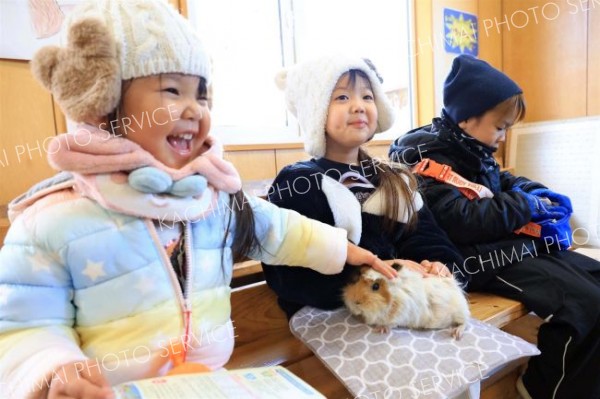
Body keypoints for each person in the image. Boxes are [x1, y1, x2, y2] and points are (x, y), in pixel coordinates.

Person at [0, 2, 398, 398]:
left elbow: (277, 228)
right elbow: (23, 324)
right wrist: (55, 370)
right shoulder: (54, 219)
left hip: (207, 382)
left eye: (203, 96)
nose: (194, 110)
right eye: (173, 90)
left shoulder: (211, 198)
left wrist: (342, 249)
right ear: (104, 102)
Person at [390, 54, 600, 399]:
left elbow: (499, 181)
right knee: (585, 304)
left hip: (504, 248)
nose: (503, 136)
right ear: (467, 117)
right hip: (472, 260)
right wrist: (526, 205)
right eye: (501, 126)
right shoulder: (426, 156)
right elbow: (462, 222)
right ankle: (542, 387)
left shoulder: (470, 145)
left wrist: (534, 192)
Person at [261, 55, 467, 319]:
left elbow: (425, 235)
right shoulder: (300, 183)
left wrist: (438, 264)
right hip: (331, 315)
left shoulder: (393, 179)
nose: (359, 106)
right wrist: (377, 272)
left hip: (397, 308)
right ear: (315, 111)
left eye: (367, 97)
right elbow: (288, 272)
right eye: (342, 98)